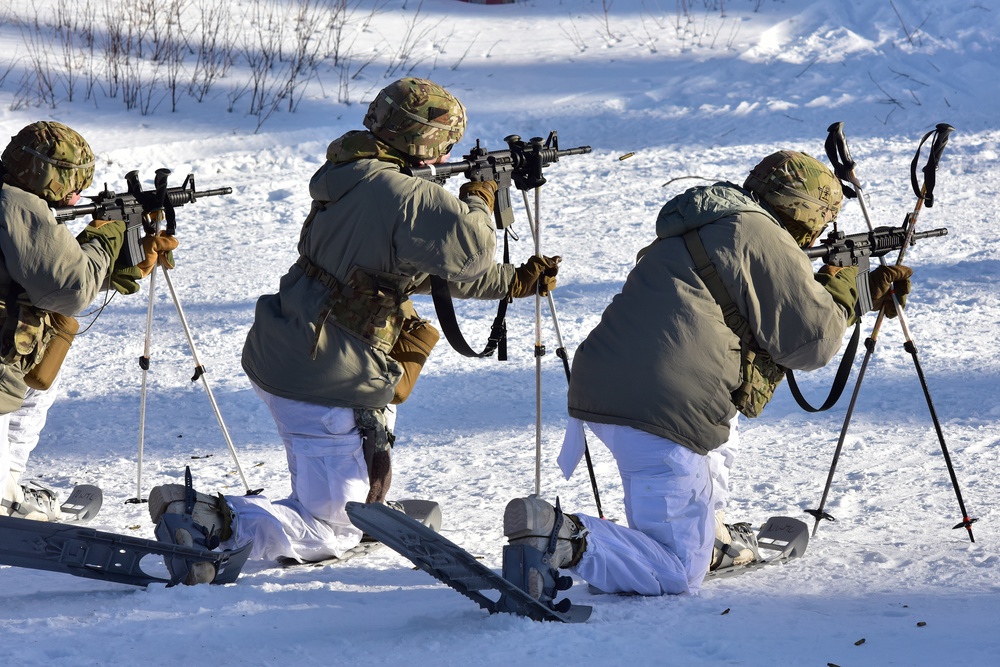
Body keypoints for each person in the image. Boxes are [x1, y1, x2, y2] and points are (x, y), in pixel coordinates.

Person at [148, 77, 560, 584]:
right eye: (444, 143)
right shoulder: (399, 192)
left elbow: (419, 270)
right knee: (331, 529)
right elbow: (472, 250)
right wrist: (478, 196)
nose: (446, 153)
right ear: (422, 141)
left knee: (332, 488)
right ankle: (206, 524)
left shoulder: (354, 176)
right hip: (325, 377)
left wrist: (515, 283)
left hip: (291, 353)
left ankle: (334, 501)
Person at [502, 150, 913, 598]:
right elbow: (809, 342)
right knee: (678, 569)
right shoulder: (761, 233)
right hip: (661, 406)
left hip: (610, 385)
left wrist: (836, 287)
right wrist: (849, 292)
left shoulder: (709, 221)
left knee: (716, 442)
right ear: (805, 212)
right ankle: (563, 539)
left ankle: (708, 534)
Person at [0, 120, 175, 520]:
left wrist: (110, 261)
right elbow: (70, 288)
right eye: (73, 184)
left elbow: (37, 270)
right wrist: (107, 236)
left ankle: (8, 483)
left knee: (43, 369)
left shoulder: (10, 195)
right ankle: (4, 500)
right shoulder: (16, 204)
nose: (78, 196)